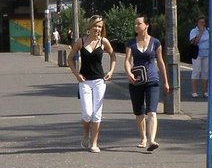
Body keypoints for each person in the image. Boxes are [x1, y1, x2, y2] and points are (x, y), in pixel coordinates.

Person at [67, 14, 117, 152]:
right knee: (87, 113)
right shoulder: (81, 42)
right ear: (90, 26)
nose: (98, 29)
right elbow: (69, 59)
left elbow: (113, 56)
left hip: (99, 81)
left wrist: (111, 71)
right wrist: (77, 74)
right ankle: (85, 135)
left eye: (100, 26)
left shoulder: (103, 42)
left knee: (97, 114)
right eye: (95, 25)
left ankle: (94, 143)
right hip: (84, 81)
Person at [124, 15, 169, 150]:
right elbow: (127, 60)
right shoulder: (131, 43)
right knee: (139, 112)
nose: (136, 26)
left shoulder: (155, 42)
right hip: (136, 81)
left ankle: (151, 140)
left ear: (146, 25)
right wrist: (129, 73)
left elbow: (160, 62)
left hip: (152, 80)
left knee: (152, 111)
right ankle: (143, 138)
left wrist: (166, 81)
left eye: (139, 24)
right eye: (135, 24)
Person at [188, 16, 210, 98]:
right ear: (197, 23)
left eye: (203, 22)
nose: (202, 24)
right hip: (197, 54)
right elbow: (194, 42)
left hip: (206, 54)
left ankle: (205, 91)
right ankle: (194, 91)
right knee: (196, 71)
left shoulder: (208, 31)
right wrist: (200, 32)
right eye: (200, 22)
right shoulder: (194, 31)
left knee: (205, 72)